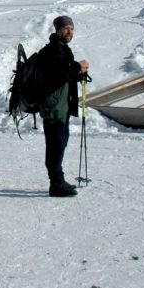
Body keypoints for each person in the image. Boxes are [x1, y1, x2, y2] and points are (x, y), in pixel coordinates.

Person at [36, 15, 90, 197]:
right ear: (57, 30)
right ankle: (56, 184)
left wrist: (78, 72)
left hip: (61, 107)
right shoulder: (52, 51)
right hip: (53, 108)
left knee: (60, 143)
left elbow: (63, 76)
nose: (69, 31)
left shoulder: (62, 50)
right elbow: (57, 75)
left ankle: (59, 180)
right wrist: (77, 67)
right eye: (66, 28)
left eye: (72, 28)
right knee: (55, 146)